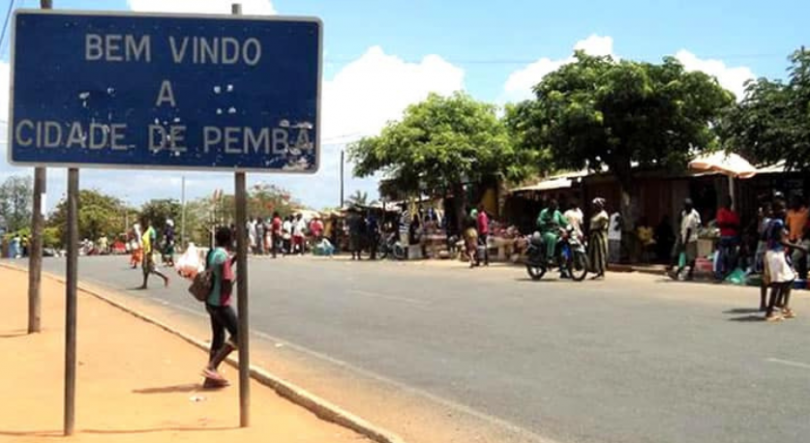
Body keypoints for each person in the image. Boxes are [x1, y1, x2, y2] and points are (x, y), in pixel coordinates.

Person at [202, 227, 239, 387]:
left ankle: (210, 379)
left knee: (218, 337)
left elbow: (217, 269)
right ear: (229, 240)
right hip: (221, 303)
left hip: (210, 301)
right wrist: (231, 285)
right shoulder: (223, 256)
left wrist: (236, 259)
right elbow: (225, 279)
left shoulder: (213, 253)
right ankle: (212, 366)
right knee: (239, 335)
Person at [763, 198, 807, 321]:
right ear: (776, 210)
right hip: (775, 254)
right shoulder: (777, 223)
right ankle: (769, 312)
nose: (784, 211)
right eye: (782, 209)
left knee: (789, 278)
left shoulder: (773, 222)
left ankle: (782, 305)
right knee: (777, 283)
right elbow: (781, 241)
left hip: (778, 253)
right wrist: (799, 247)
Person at [669, 198, 701, 281]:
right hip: (683, 236)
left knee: (691, 258)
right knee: (682, 255)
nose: (684, 208)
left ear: (690, 207)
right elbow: (679, 221)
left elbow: (689, 230)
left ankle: (686, 272)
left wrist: (685, 243)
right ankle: (678, 271)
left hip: (690, 238)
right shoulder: (684, 213)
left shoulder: (693, 216)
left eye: (686, 206)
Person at [138, 219, 169, 289]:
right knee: (145, 268)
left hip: (150, 252)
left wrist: (150, 254)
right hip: (146, 251)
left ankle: (165, 278)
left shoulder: (151, 231)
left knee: (152, 268)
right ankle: (144, 284)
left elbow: (152, 243)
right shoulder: (145, 231)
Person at [536, 200, 568, 270]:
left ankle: (563, 259)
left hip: (557, 232)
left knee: (566, 239)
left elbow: (564, 222)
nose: (554, 210)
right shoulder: (544, 212)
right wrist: (546, 223)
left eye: (555, 208)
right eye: (552, 208)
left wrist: (569, 225)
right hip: (546, 233)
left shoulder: (557, 213)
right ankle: (549, 257)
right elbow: (538, 222)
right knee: (552, 237)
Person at [715, 196, 740, 279]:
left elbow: (737, 224)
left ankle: (728, 272)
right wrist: (731, 224)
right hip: (725, 235)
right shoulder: (722, 212)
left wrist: (728, 224)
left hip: (731, 236)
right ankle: (719, 273)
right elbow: (721, 223)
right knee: (722, 255)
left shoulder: (731, 213)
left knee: (730, 256)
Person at [786, 196, 809, 279]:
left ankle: (802, 277)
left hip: (802, 239)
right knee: (790, 258)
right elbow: (787, 225)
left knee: (800, 259)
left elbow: (807, 226)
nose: (793, 203)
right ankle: (794, 277)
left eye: (795, 201)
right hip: (791, 238)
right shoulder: (790, 212)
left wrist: (803, 236)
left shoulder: (806, 212)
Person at [587, 198, 610, 279]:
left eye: (596, 205)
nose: (594, 207)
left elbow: (603, 226)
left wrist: (594, 230)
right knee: (595, 254)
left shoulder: (603, 215)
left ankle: (602, 272)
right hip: (594, 236)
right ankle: (597, 271)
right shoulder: (595, 214)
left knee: (600, 254)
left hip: (599, 236)